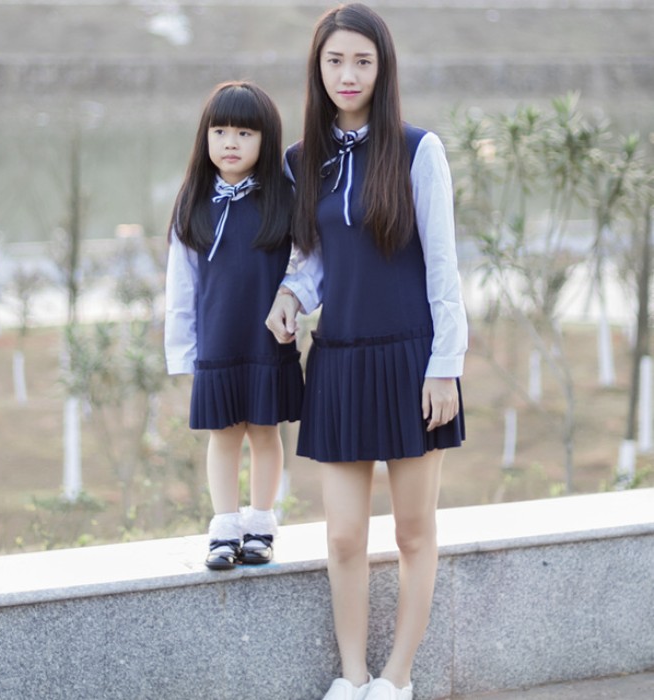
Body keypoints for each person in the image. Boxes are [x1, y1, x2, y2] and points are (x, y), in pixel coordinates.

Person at [265, 4, 467, 699]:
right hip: (341, 362)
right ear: (316, 69)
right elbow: (313, 258)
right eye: (334, 61)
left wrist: (448, 366)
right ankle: (351, 680)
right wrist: (291, 295)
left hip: (412, 362)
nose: (347, 75)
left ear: (383, 69)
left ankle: (396, 678)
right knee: (345, 537)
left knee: (413, 535)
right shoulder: (301, 161)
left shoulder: (419, 150)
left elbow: (443, 269)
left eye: (362, 61)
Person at [165, 81, 304, 571]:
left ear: (265, 140)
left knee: (265, 432)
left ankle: (261, 525)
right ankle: (224, 528)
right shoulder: (193, 202)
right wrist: (182, 352)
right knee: (224, 434)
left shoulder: (283, 198)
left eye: (244, 132)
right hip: (218, 340)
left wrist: (294, 300)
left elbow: (307, 260)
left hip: (266, 338)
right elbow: (181, 286)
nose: (230, 142)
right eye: (220, 130)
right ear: (205, 137)